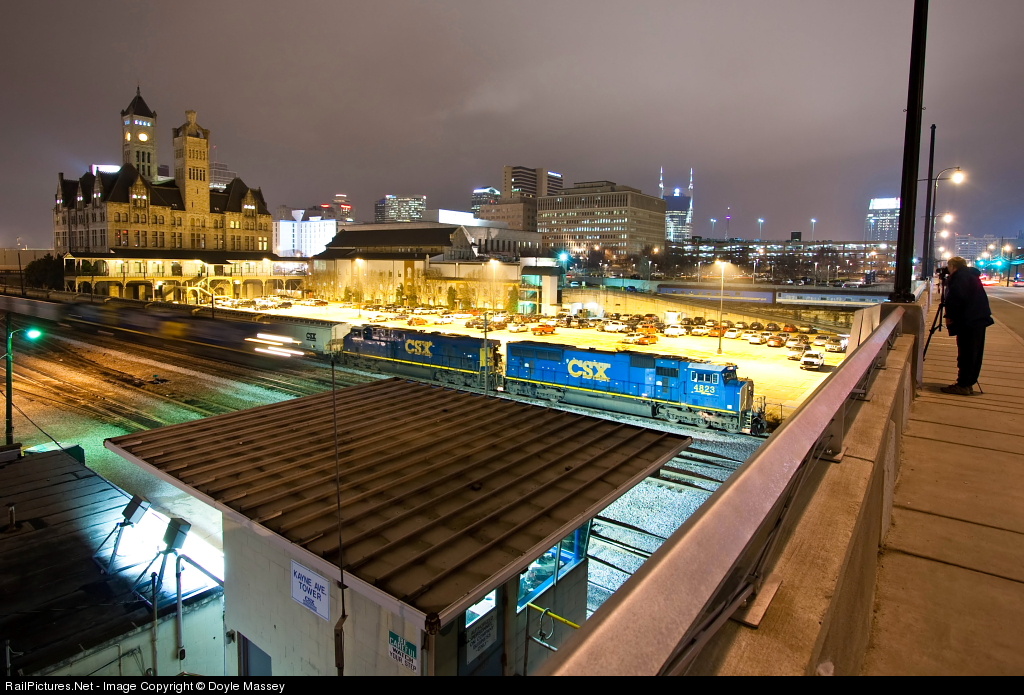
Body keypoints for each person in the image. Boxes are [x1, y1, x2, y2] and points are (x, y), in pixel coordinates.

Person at [940, 256, 994, 395]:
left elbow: (956, 298)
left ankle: (963, 385)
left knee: (966, 353)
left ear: (953, 266)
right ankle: (968, 383)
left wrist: (951, 317)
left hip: (968, 321)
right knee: (974, 353)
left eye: (949, 267)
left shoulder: (960, 277)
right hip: (978, 319)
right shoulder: (970, 275)